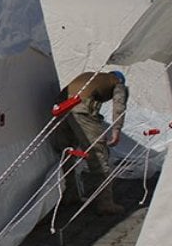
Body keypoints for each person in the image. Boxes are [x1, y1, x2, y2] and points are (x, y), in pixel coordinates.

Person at [52, 70, 128, 215]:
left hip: (60, 107)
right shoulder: (117, 83)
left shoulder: (92, 76)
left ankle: (70, 194)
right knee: (98, 155)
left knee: (67, 152)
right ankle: (105, 203)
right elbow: (119, 104)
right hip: (81, 108)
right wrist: (116, 130)